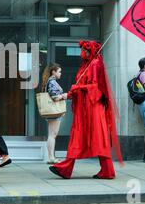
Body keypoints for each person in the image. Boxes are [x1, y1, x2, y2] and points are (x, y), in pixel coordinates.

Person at [49, 40, 123, 179]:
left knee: (96, 137)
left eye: (85, 50)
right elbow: (83, 85)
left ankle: (70, 169)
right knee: (83, 136)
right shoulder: (87, 65)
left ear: (91, 51)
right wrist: (70, 94)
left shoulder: (95, 64)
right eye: (83, 49)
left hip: (93, 108)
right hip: (86, 108)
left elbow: (96, 89)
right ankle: (70, 168)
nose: (83, 52)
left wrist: (76, 89)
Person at [40, 63, 68, 164]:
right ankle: (51, 157)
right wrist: (64, 95)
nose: (60, 73)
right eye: (59, 71)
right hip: (54, 112)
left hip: (52, 112)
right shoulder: (52, 82)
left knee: (51, 134)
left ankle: (51, 157)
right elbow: (55, 97)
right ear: (54, 72)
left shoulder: (49, 81)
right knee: (52, 134)